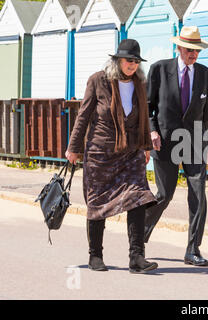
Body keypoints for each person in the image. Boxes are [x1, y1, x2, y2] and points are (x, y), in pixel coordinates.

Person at [65, 39, 158, 274]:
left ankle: (136, 258)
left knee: (139, 198)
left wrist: (145, 146)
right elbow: (83, 116)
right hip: (101, 153)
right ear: (118, 60)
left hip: (131, 153)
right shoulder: (98, 80)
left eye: (137, 61)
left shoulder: (140, 83)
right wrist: (73, 148)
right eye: (129, 60)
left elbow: (143, 117)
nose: (133, 65)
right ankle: (95, 255)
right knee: (97, 203)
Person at [144, 26, 208, 266]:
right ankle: (140, 232)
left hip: (194, 141)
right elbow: (147, 106)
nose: (193, 54)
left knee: (198, 194)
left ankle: (193, 249)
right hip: (164, 141)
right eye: (189, 49)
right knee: (165, 194)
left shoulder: (206, 75)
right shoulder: (160, 70)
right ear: (178, 48)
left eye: (196, 50)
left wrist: (206, 139)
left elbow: (204, 113)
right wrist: (152, 130)